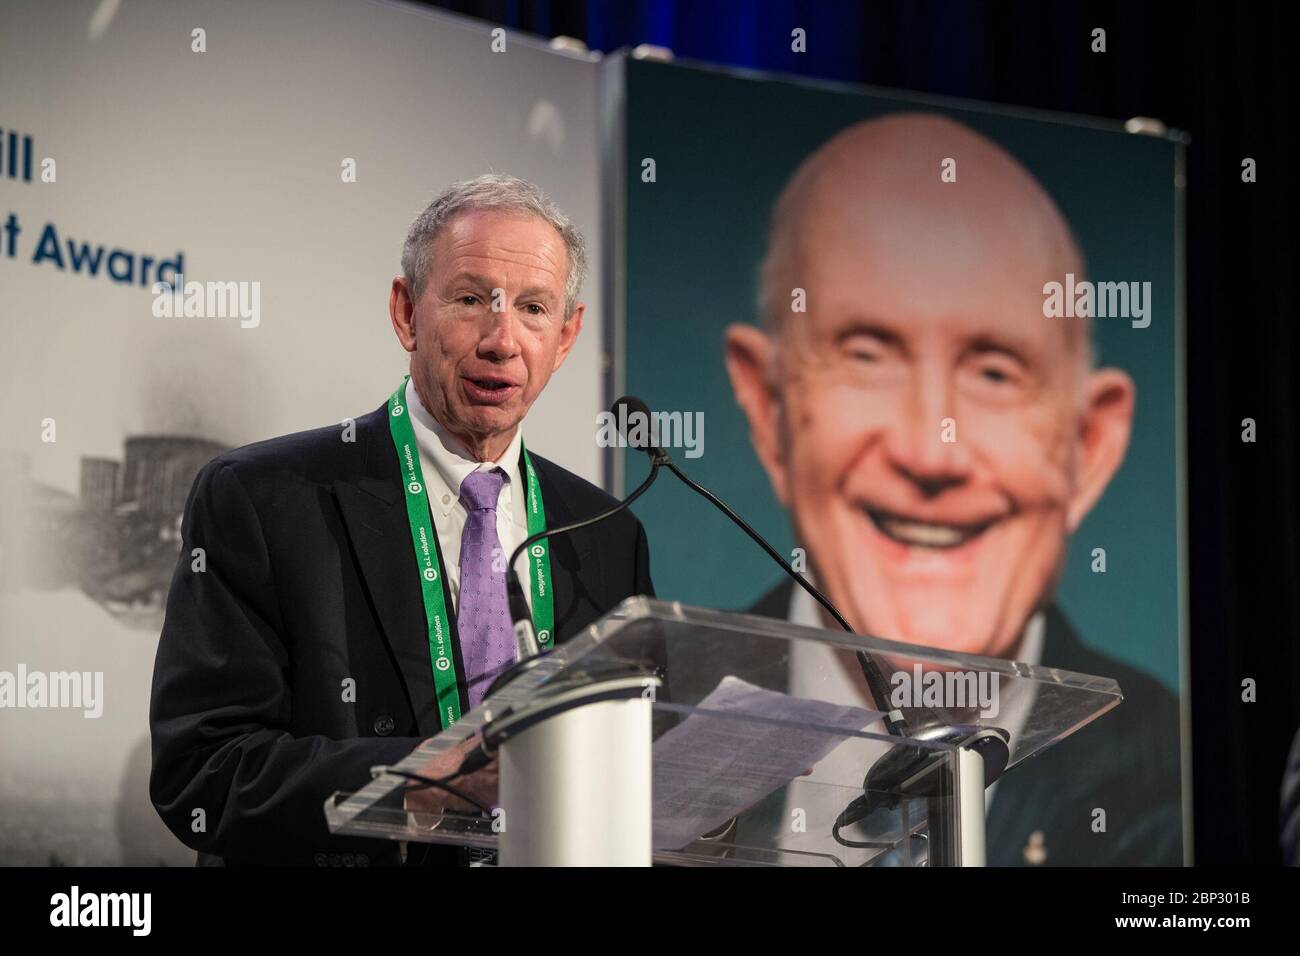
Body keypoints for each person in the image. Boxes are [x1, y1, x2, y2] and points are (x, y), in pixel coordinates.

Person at [150, 175, 654, 866]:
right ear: (407, 312)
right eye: (472, 300)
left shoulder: (603, 534)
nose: (502, 340)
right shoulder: (265, 499)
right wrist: (422, 780)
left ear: (565, 337)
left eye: (534, 309)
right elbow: (202, 772)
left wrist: (716, 792)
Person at [723, 113, 1182, 865]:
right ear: (769, 408)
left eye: (995, 371)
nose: (928, 450)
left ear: (1089, 444)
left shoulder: (1171, 783)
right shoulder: (649, 731)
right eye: (867, 354)